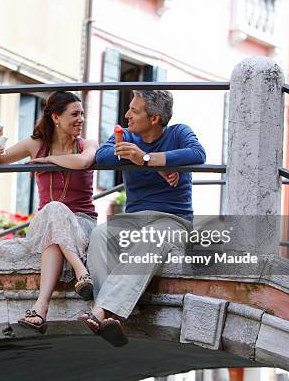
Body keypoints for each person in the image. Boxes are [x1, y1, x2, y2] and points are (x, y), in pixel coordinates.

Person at [81, 89, 206, 347]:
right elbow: (102, 157)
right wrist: (144, 160)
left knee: (153, 237)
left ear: (154, 118)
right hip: (133, 220)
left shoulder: (179, 133)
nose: (126, 115)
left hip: (173, 221)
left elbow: (198, 154)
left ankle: (101, 310)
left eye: (134, 111)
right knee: (101, 235)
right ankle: (112, 315)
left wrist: (149, 158)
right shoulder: (125, 136)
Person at [0, 91, 99, 334]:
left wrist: (48, 160)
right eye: (74, 114)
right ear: (56, 118)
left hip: (82, 224)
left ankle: (40, 307)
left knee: (54, 223)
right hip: (46, 221)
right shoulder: (34, 144)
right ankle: (81, 271)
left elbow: (84, 162)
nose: (81, 119)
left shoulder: (87, 145)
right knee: (53, 210)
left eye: (82, 114)